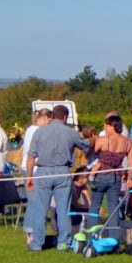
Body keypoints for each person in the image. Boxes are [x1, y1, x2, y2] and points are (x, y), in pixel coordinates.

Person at [22, 105, 82, 252]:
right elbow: (85, 145)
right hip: (63, 171)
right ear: (65, 117)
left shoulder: (39, 132)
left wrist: (29, 177)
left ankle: (36, 243)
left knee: (40, 209)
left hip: (43, 171)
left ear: (53, 115)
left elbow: (31, 156)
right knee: (63, 210)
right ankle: (63, 243)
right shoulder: (70, 132)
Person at [87, 113, 131, 237]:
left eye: (106, 126)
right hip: (116, 177)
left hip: (101, 175)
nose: (104, 128)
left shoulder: (103, 140)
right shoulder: (127, 142)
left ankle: (91, 236)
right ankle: (114, 238)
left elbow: (89, 154)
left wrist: (91, 146)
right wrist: (129, 176)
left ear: (113, 126)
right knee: (113, 208)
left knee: (95, 206)